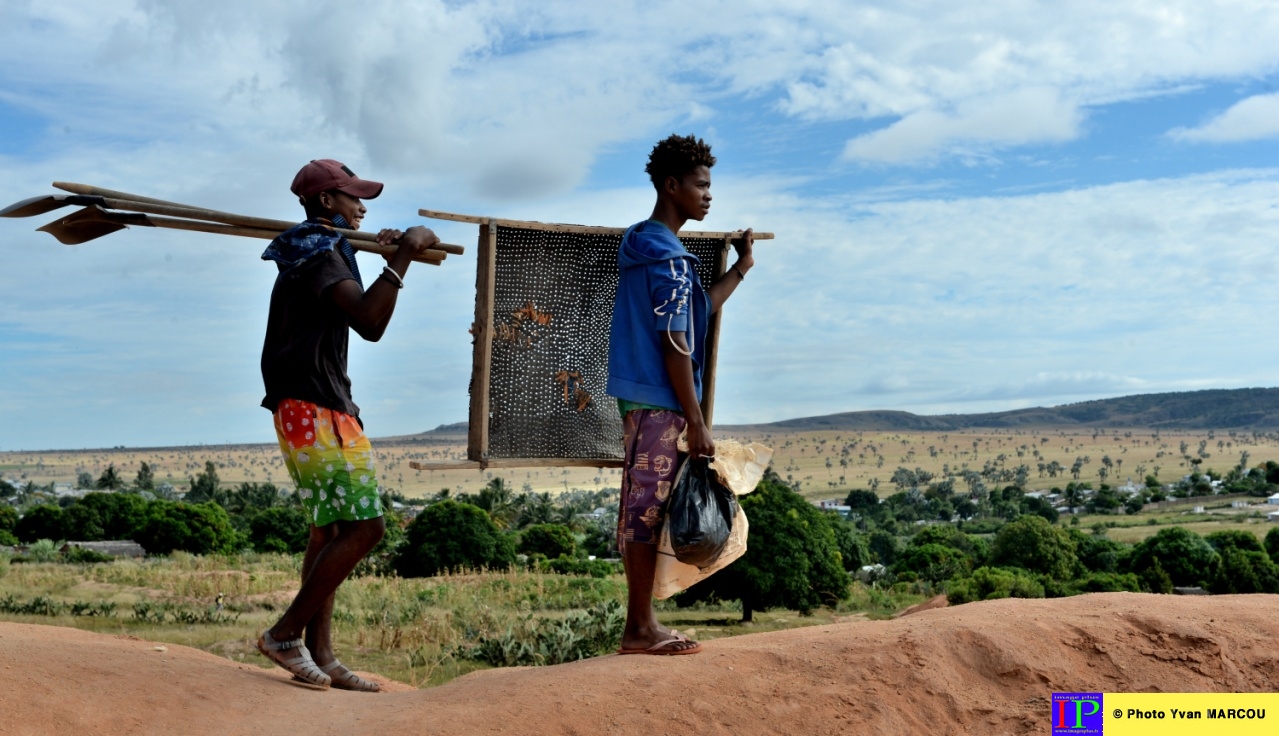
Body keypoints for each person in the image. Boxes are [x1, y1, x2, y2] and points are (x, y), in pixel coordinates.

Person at [255, 159, 439, 690]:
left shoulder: (323, 248)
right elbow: (369, 322)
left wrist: (370, 247)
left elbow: (349, 296)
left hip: (315, 404)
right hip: (315, 407)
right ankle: (285, 635)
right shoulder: (316, 255)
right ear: (326, 202)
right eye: (352, 197)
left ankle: (322, 654)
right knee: (366, 527)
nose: (362, 205)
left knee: (330, 529)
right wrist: (402, 255)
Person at [606, 134, 754, 655]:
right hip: (661, 402)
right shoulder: (667, 259)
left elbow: (696, 311)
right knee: (645, 511)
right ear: (672, 186)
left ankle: (643, 624)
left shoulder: (654, 249)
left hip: (649, 399)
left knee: (649, 507)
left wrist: (740, 268)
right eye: (701, 184)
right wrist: (696, 419)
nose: (709, 195)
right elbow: (675, 341)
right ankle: (639, 629)